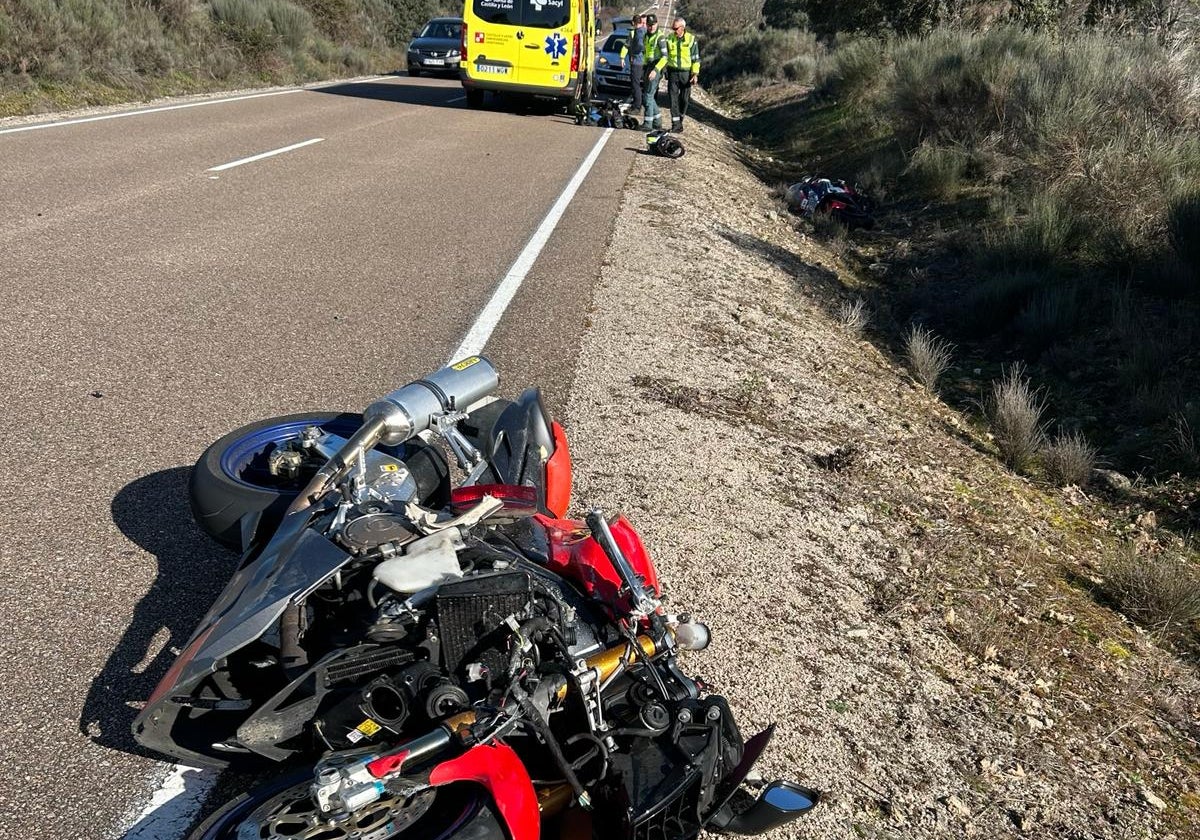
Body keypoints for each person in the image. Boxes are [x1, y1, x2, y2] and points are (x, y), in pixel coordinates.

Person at [663, 16, 699, 133]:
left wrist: (695, 74)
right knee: (673, 100)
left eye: (676, 28)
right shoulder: (669, 38)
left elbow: (696, 58)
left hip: (686, 74)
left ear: (682, 28)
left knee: (684, 100)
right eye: (673, 28)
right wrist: (664, 70)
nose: (674, 31)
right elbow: (665, 56)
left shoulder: (691, 39)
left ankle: (681, 118)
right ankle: (676, 125)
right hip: (673, 73)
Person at [618, 15, 646, 119]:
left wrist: (633, 53)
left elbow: (639, 45)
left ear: (634, 23)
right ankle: (636, 105)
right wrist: (622, 57)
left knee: (635, 84)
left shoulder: (639, 32)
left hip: (638, 62)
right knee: (636, 84)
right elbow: (627, 46)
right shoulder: (641, 31)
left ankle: (637, 107)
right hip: (641, 62)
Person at [642, 14, 666, 131]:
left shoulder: (660, 37)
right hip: (648, 67)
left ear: (657, 24)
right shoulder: (647, 36)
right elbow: (646, 53)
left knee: (648, 96)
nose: (651, 27)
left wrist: (656, 70)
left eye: (653, 24)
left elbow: (665, 57)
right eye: (649, 25)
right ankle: (657, 122)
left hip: (656, 67)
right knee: (649, 96)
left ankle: (648, 124)